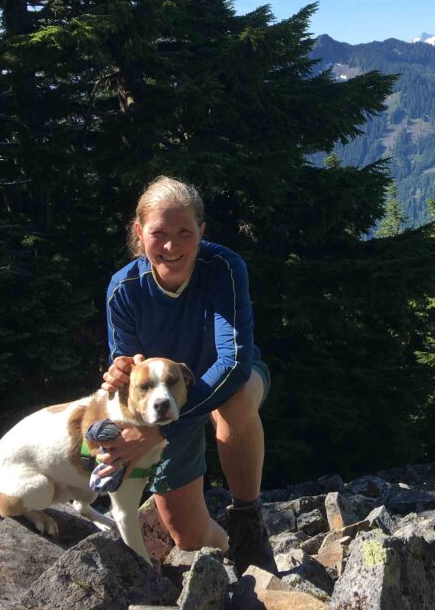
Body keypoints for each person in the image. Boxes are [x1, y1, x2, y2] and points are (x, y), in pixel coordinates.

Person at [97, 175, 276, 573]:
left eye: (185, 232)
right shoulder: (123, 290)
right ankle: (228, 546)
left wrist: (160, 428)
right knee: (188, 537)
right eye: (159, 233)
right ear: (139, 233)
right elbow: (127, 375)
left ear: (202, 231)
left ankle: (248, 522)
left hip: (217, 387)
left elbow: (233, 363)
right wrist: (120, 375)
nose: (172, 246)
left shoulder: (223, 268)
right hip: (163, 406)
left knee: (239, 396)